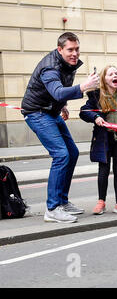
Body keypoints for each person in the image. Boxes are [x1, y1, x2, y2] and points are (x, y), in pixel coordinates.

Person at [21, 32, 99, 223]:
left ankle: (62, 201)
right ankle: (52, 208)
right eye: (70, 50)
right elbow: (56, 90)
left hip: (50, 111)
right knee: (61, 154)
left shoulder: (66, 63)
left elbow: (56, 92)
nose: (74, 53)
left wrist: (61, 104)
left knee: (71, 152)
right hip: (37, 113)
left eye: (77, 49)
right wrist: (83, 87)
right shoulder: (50, 67)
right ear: (60, 49)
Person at [80, 65, 117, 215]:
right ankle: (101, 202)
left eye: (116, 73)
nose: (114, 76)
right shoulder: (96, 96)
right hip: (103, 139)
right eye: (111, 74)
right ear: (104, 79)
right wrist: (96, 117)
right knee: (103, 170)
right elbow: (84, 112)